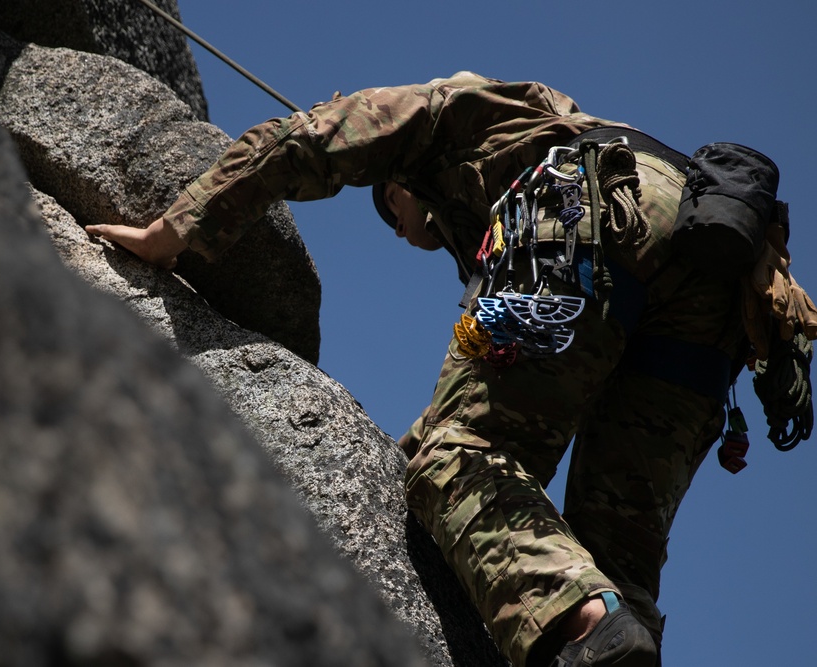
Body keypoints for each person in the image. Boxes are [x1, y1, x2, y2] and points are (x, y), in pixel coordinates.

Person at [85, 72, 816, 667]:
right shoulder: (511, 164)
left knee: (455, 457)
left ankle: (589, 626)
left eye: (389, 213)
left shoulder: (436, 116)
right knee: (615, 553)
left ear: (400, 187)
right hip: (717, 284)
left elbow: (305, 136)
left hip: (593, 207)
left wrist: (172, 230)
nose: (401, 235)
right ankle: (612, 634)